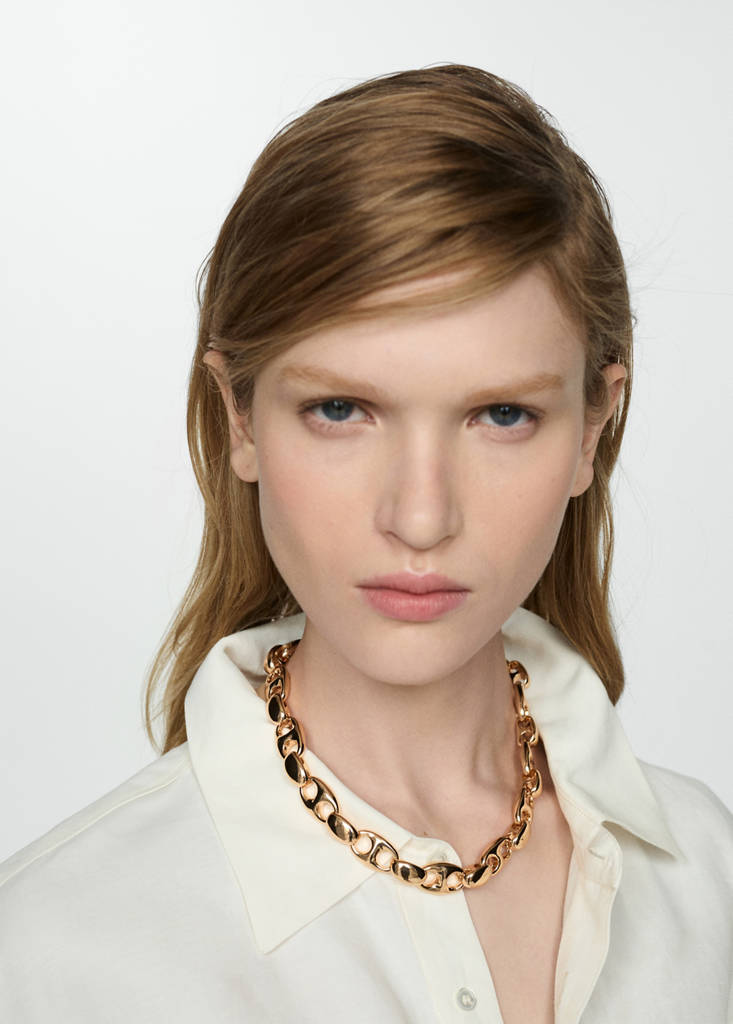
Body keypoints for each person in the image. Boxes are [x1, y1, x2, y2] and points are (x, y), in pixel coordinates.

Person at [1, 63, 731, 1024]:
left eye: (500, 415)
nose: (420, 518)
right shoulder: (57, 951)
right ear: (239, 417)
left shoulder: (708, 877)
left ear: (593, 426)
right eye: (341, 409)